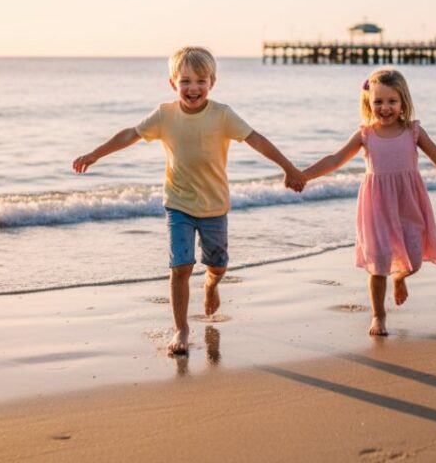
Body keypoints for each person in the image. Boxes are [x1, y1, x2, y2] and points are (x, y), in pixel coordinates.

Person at [73, 47, 305, 354]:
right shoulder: (164, 115)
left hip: (214, 206)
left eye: (200, 81)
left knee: (218, 264)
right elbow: (131, 134)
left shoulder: (222, 115)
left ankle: (211, 285)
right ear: (173, 83)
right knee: (180, 266)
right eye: (185, 81)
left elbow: (256, 139)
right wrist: (94, 155)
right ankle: (181, 330)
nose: (193, 88)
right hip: (178, 204)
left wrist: (289, 168)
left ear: (212, 83)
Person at [302, 68, 436, 336]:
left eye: (391, 102)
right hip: (376, 207)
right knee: (378, 263)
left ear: (403, 102)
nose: (384, 108)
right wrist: (302, 175)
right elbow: (334, 159)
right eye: (378, 102)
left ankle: (400, 278)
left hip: (408, 201)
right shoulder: (365, 134)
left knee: (416, 259)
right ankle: (378, 316)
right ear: (368, 103)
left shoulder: (413, 132)